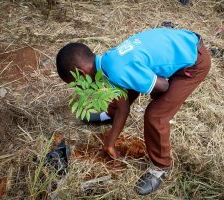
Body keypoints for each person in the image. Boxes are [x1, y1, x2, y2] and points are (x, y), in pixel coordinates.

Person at [56, 28, 211, 195]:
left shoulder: (117, 70)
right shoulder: (108, 61)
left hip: (193, 63)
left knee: (155, 115)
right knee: (128, 84)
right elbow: (123, 99)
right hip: (181, 44)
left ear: (80, 73)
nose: (80, 87)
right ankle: (110, 115)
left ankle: (161, 166)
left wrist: (154, 93)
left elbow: (163, 86)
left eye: (77, 84)